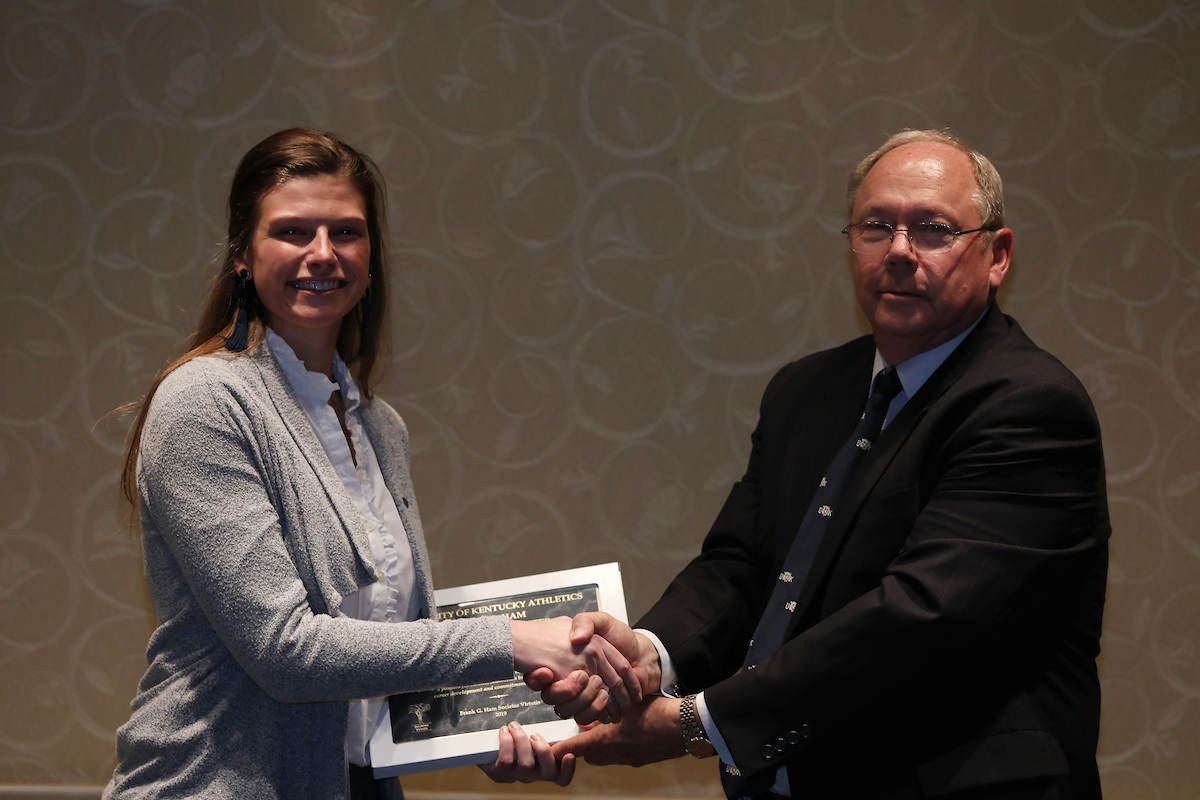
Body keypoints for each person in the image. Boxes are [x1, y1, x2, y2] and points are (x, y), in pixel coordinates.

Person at [535, 130, 1110, 800]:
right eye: (876, 226)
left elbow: (921, 617)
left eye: (933, 229)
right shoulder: (805, 392)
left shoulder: (1029, 407)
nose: (899, 250)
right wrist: (648, 655)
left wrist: (694, 722)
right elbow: (740, 566)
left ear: (996, 255)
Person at [104, 128, 639, 800]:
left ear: (371, 255)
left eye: (346, 233)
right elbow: (286, 651)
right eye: (293, 231)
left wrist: (485, 730)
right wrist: (518, 641)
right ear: (242, 253)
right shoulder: (205, 403)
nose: (322, 254)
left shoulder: (381, 427)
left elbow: (388, 647)